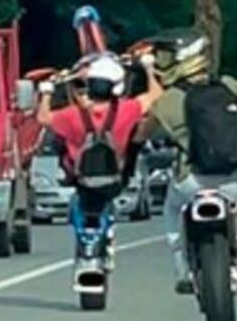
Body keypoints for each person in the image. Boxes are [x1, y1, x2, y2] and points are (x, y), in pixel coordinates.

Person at [135, 28, 237, 293]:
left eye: (165, 56)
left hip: (191, 182)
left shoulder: (166, 100)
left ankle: (181, 267)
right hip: (235, 179)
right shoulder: (227, 85)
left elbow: (140, 135)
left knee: (171, 209)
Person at [37, 52, 163, 270]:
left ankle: (87, 241)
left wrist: (47, 93)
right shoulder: (127, 110)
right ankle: (109, 233)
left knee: (78, 206)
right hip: (115, 179)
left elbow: (43, 118)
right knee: (108, 202)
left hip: (81, 181)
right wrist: (149, 69)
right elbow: (156, 95)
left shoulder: (71, 115)